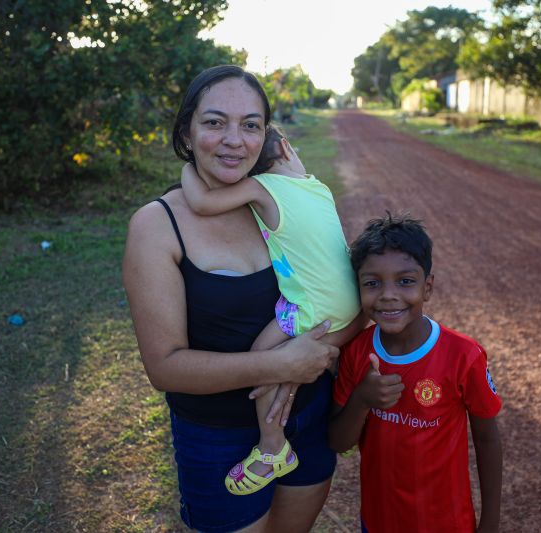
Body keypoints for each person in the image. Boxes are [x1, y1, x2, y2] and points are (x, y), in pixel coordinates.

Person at [122, 65, 358, 532]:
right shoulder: (156, 225)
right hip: (217, 437)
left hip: (309, 420)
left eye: (250, 125)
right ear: (187, 134)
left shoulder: (281, 201)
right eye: (214, 122)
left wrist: (320, 351)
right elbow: (164, 367)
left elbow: (341, 297)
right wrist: (279, 366)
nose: (234, 139)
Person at [180, 123, 363, 496]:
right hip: (351, 303)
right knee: (288, 363)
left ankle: (272, 445)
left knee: (263, 356)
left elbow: (201, 202)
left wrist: (189, 166)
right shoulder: (318, 187)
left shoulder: (260, 188)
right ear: (286, 148)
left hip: (313, 307)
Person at [328, 213, 503, 533]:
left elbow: (487, 437)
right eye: (372, 283)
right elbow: (339, 442)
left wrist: (490, 520)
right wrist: (362, 399)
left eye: (405, 281)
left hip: (446, 523)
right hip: (379, 521)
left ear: (428, 287)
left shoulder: (463, 354)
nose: (388, 295)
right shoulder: (356, 351)